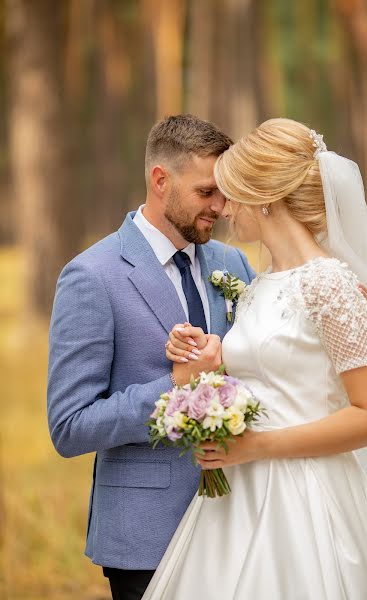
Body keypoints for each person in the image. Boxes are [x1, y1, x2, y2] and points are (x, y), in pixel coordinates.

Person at [143, 118, 367, 600]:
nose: (224, 209)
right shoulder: (261, 283)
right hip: (239, 494)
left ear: (264, 197)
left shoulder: (330, 284)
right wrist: (212, 363)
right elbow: (276, 373)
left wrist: (258, 447)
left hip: (309, 496)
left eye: (232, 193)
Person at [47, 114, 256, 600]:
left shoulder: (233, 265)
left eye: (224, 193)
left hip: (240, 525)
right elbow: (70, 425)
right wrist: (177, 386)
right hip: (146, 539)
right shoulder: (92, 276)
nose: (222, 208)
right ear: (161, 180)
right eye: (207, 193)